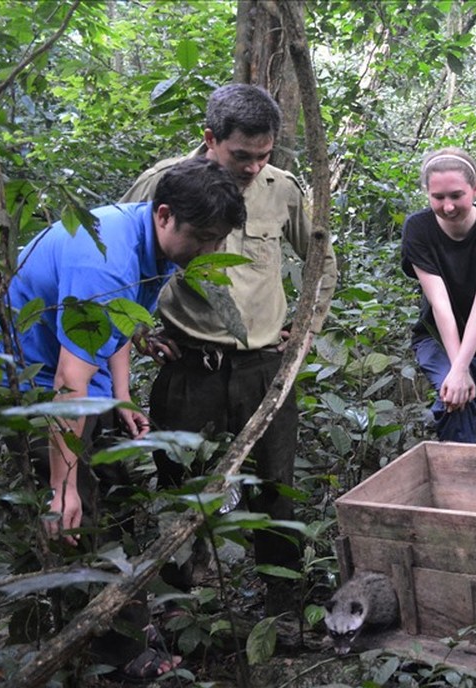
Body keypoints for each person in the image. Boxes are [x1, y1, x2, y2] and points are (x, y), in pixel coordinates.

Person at [0, 158, 247, 678]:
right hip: (33, 386)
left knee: (123, 499)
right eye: (205, 238)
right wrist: (62, 486)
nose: (209, 252)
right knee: (83, 518)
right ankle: (118, 652)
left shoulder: (147, 239)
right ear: (165, 215)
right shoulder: (103, 260)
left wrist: (124, 399)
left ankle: (139, 615)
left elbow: (120, 323)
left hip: (83, 381)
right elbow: (69, 382)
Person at [121, 83, 338, 616]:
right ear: (210, 139)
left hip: (265, 364)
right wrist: (137, 331)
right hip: (189, 365)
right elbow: (119, 257)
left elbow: (320, 260)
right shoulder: (162, 182)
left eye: (263, 156)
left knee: (275, 485)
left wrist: (304, 330)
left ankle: (284, 605)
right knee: (179, 484)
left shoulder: (281, 188)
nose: (252, 167)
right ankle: (176, 605)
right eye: (241, 156)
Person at [400, 148, 476, 444]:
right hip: (438, 339)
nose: (448, 206)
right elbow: (440, 305)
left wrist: (462, 368)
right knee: (455, 402)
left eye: (456, 195)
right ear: (427, 193)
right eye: (438, 198)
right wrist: (457, 370)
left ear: (475, 188)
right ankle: (453, 484)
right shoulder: (418, 228)